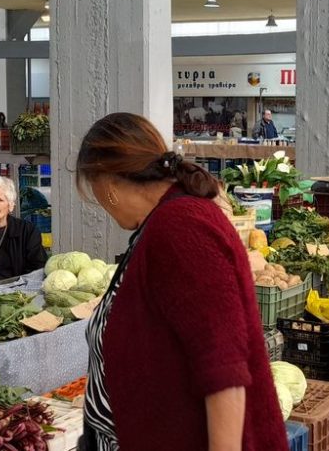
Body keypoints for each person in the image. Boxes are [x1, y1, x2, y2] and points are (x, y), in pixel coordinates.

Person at [75, 113, 287, 450]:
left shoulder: (180, 227)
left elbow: (224, 370)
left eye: (96, 193)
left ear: (108, 183)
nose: (103, 205)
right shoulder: (160, 223)